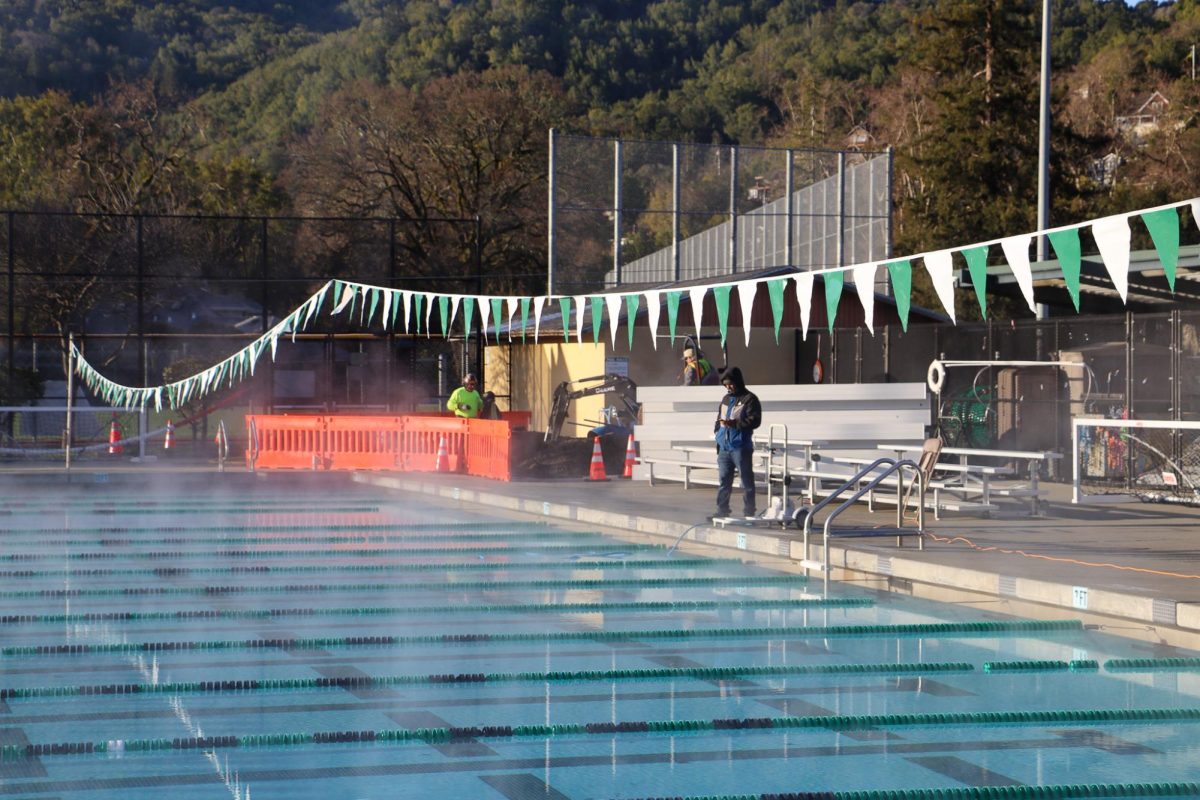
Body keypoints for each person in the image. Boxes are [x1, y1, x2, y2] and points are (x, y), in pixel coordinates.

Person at [713, 366, 762, 518]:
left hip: (741, 447)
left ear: (738, 381)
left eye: (731, 383)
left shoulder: (750, 399)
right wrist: (717, 432)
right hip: (724, 448)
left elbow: (755, 421)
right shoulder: (726, 399)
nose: (728, 387)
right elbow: (718, 417)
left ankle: (749, 513)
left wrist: (734, 424)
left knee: (746, 482)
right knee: (723, 482)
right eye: (725, 384)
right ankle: (722, 511)